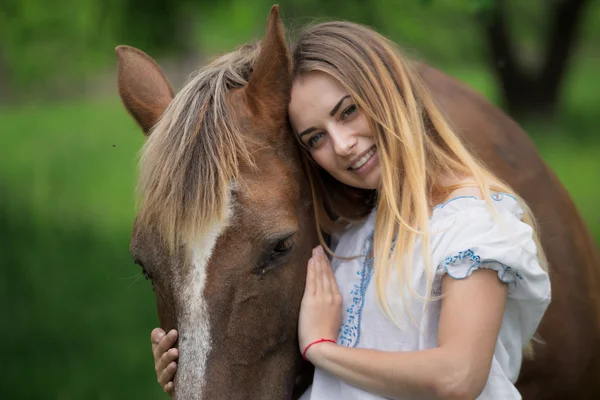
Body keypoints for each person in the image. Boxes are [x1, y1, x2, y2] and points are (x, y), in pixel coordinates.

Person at [150, 20, 551, 399]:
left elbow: (459, 377)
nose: (342, 145)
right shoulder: (348, 234)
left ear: (387, 91)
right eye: (316, 137)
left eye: (348, 111)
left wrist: (323, 349)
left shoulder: (473, 225)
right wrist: (194, 375)